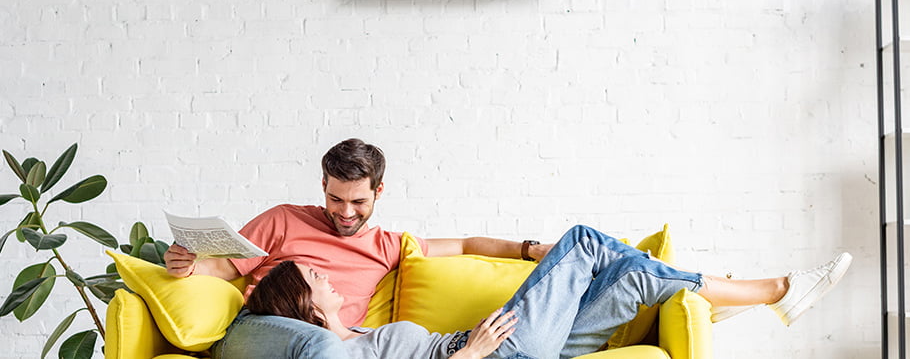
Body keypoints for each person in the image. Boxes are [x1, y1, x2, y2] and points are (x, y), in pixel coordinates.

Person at [163, 138, 554, 357]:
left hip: (337, 347)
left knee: (327, 343)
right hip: (267, 328)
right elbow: (223, 270)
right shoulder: (283, 219)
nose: (345, 213)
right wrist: (186, 265)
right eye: (336, 199)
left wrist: (528, 249)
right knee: (321, 341)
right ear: (323, 186)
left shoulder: (386, 246)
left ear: (378, 192)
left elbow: (467, 243)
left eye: (358, 202)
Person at [227, 225, 852, 359]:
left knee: (636, 277)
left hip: (512, 348)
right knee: (581, 240)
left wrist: (524, 250)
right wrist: (467, 356)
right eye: (316, 279)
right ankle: (774, 290)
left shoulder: (350, 336)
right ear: (303, 304)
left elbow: (465, 242)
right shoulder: (330, 354)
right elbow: (239, 334)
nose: (329, 277)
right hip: (493, 354)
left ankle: (761, 295)